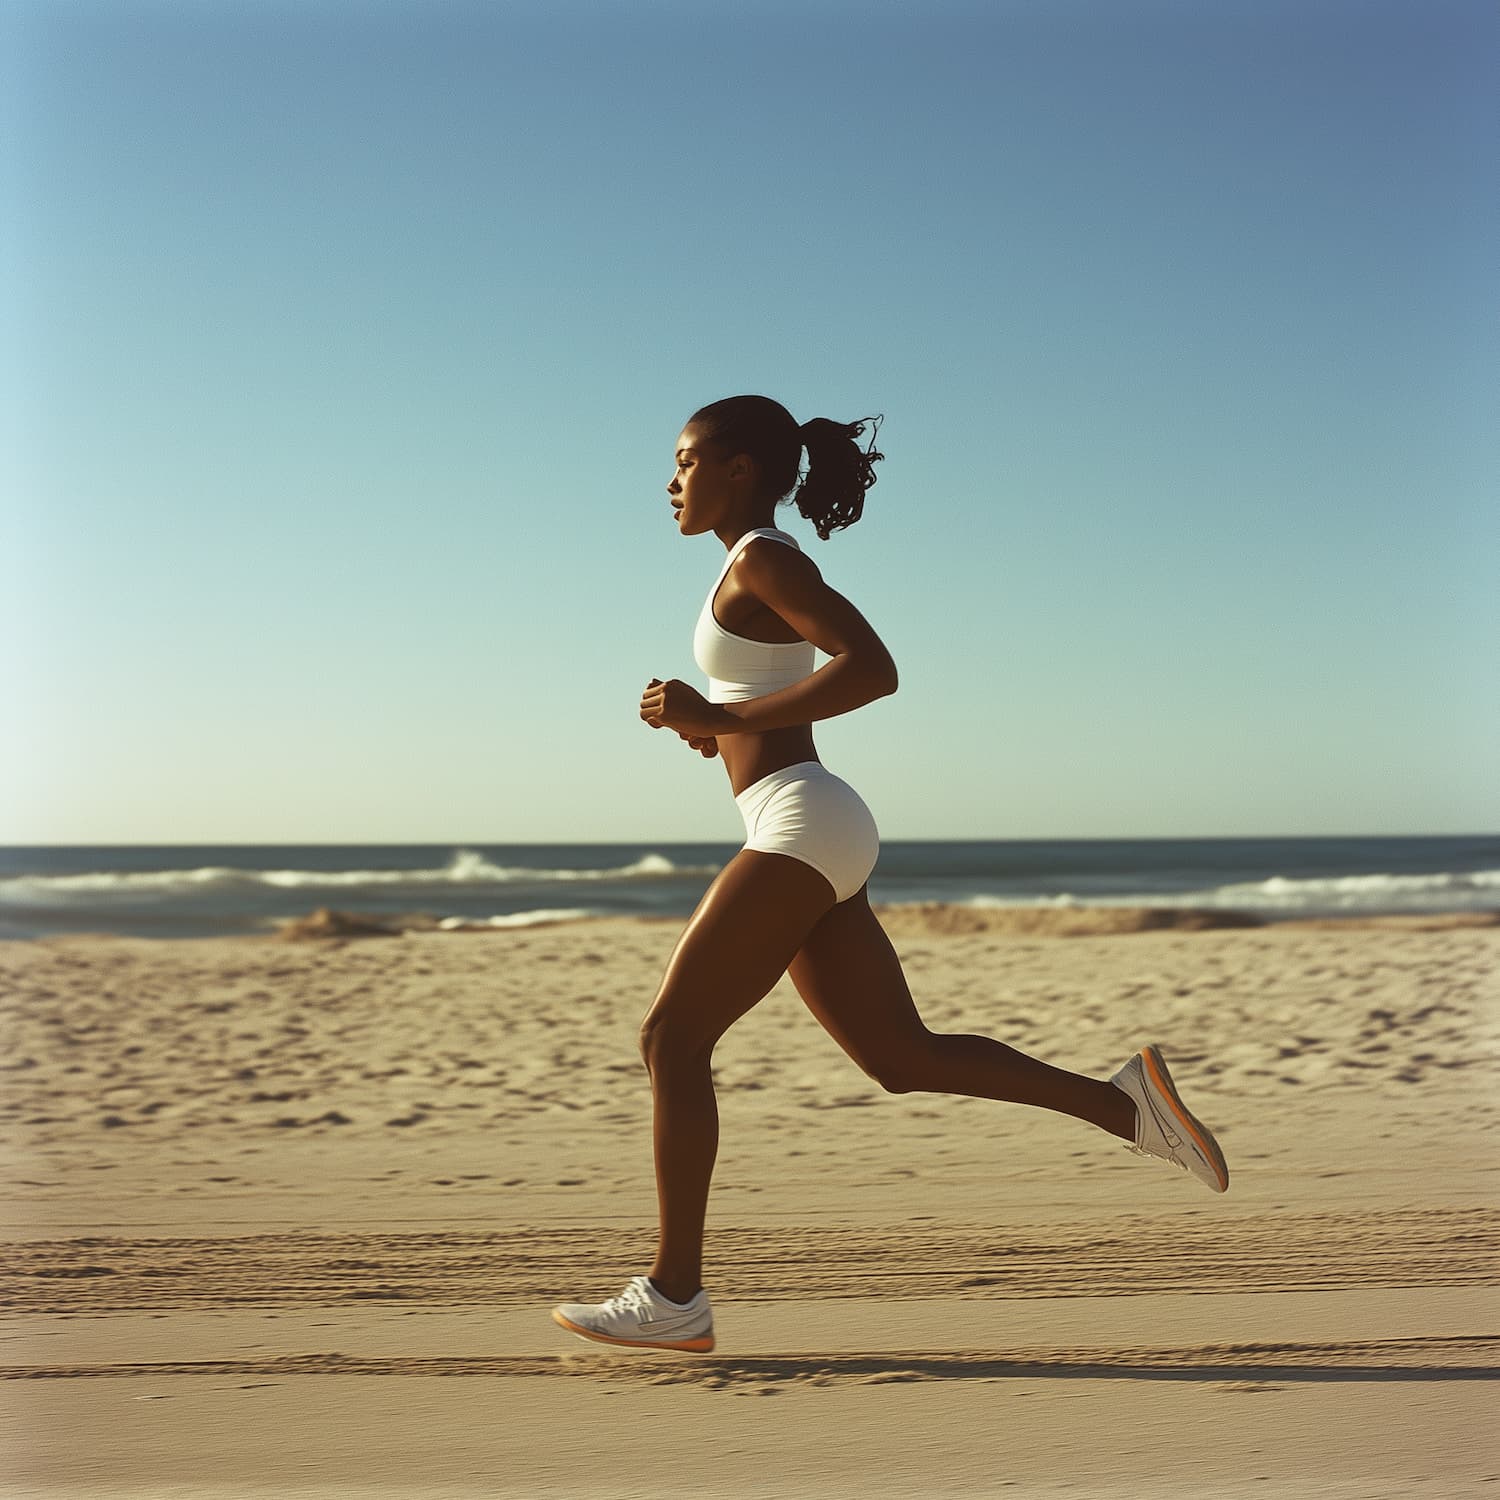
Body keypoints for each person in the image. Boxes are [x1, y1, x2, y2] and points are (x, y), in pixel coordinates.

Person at [552, 395, 1228, 1354]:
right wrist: (710, 724)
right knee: (900, 1060)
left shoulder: (766, 561)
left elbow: (872, 667)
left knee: (671, 1037)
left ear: (741, 468)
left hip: (803, 817)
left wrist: (727, 719)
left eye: (686, 461)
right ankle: (1126, 1106)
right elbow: (770, 704)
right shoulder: (741, 570)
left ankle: (674, 1294)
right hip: (806, 814)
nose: (671, 482)